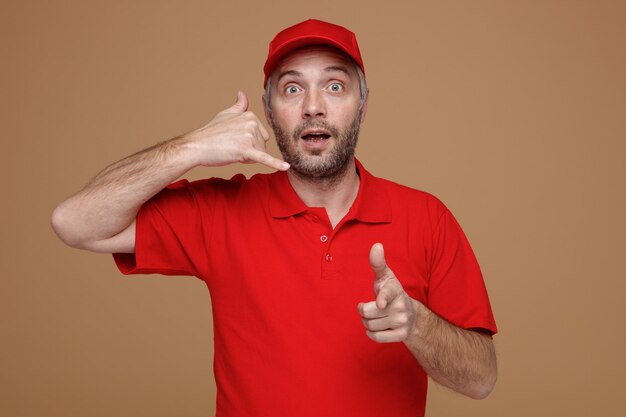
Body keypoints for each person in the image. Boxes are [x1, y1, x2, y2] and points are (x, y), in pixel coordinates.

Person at [52, 19, 497, 417]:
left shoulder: (426, 218)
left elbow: (481, 379)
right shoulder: (223, 211)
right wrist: (189, 148)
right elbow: (73, 222)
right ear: (268, 110)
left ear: (362, 104)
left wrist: (416, 324)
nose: (313, 107)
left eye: (335, 86)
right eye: (292, 88)